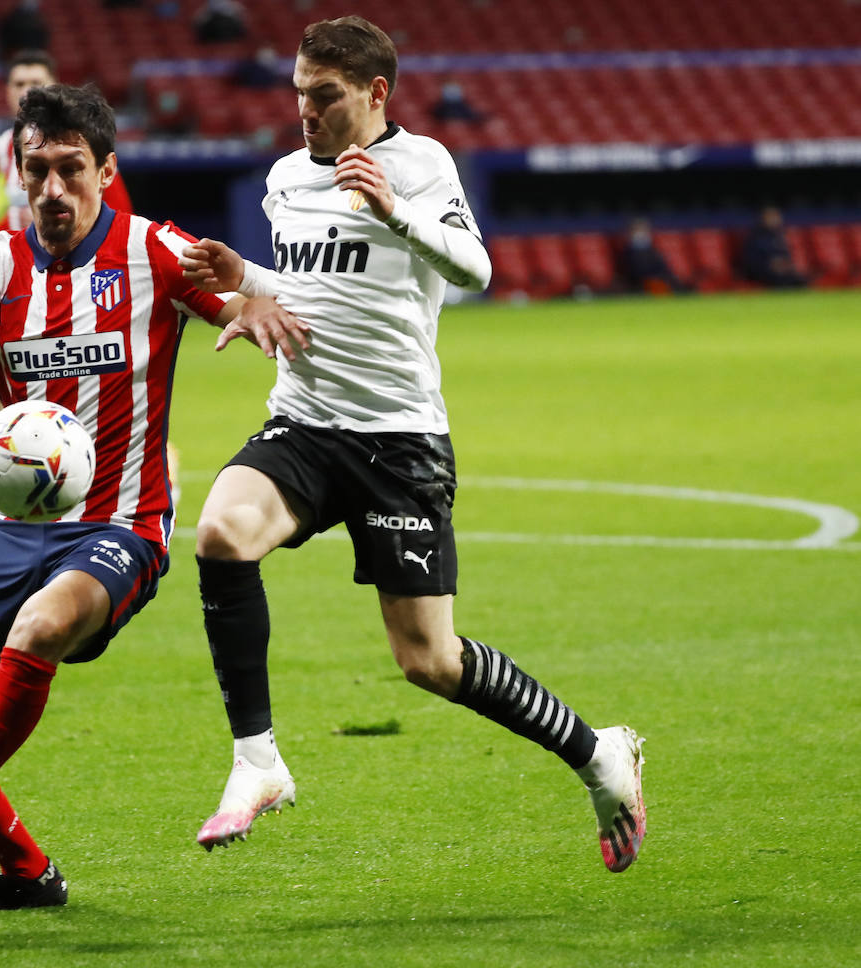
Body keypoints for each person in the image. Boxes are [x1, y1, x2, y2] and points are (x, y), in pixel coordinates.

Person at [177, 16, 647, 873]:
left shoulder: (422, 164)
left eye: (323, 97)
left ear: (374, 93)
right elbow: (320, 281)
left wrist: (393, 210)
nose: (306, 113)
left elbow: (475, 270)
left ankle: (597, 750)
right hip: (307, 421)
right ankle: (258, 761)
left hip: (398, 442)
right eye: (298, 95)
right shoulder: (286, 177)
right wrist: (248, 283)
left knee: (429, 661)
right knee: (219, 535)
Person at [0, 83, 267, 913]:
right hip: (17, 527)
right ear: (18, 174)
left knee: (38, 629)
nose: (54, 188)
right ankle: (29, 874)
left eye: (72, 168)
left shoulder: (156, 252)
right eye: (38, 170)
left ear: (105, 170)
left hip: (122, 523)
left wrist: (261, 312)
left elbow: (248, 306)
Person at [0, 51, 136, 542]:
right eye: (16, 80)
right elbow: (17, 220)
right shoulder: (7, 148)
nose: (23, 87)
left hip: (77, 285)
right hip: (16, 289)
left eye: (34, 80)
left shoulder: (77, 143)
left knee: (94, 400)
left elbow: (113, 215)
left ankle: (133, 477)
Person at [740, 206, 808, 289]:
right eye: (771, 217)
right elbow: (751, 261)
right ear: (763, 219)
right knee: (781, 279)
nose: (775, 220)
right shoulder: (754, 237)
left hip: (781, 271)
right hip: (762, 272)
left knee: (799, 279)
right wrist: (769, 265)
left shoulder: (780, 237)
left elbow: (786, 256)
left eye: (776, 217)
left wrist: (784, 264)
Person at [620, 217, 686, 294]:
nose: (641, 234)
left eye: (643, 230)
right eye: (638, 230)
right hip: (642, 282)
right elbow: (633, 271)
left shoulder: (653, 250)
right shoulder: (628, 253)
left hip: (659, 279)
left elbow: (662, 267)